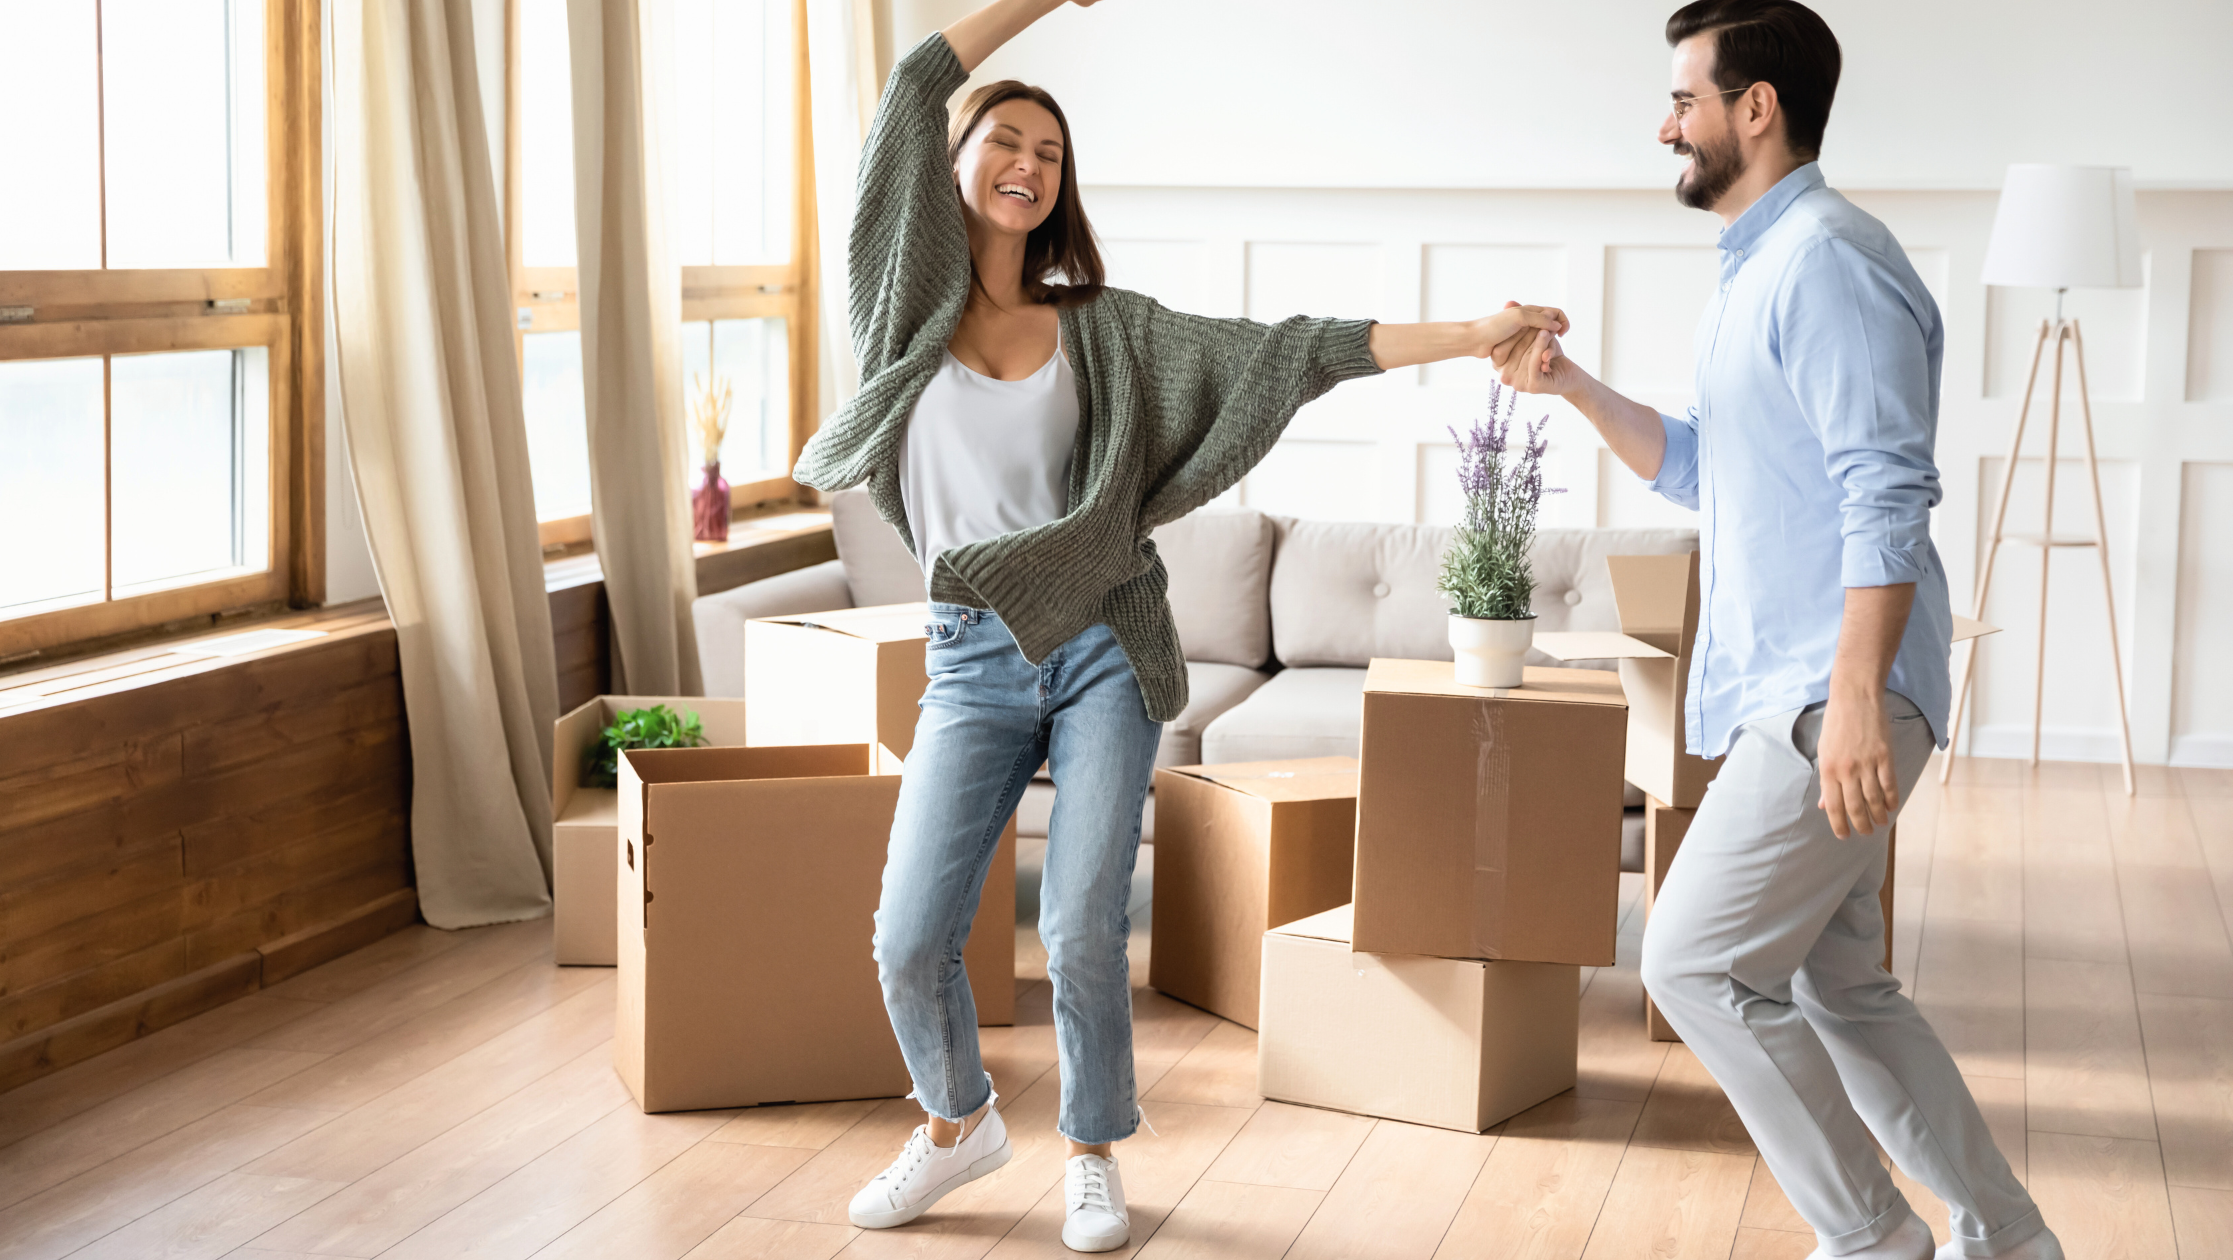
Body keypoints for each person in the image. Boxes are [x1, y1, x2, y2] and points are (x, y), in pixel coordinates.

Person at [792, 0, 1567, 1250]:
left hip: (1100, 648)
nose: (1026, 165)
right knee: (904, 937)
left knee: (1083, 922)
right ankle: (955, 1124)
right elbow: (915, 74)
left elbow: (1295, 352)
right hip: (969, 658)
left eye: (1048, 153)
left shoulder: (1110, 332)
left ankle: (1090, 1152)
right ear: (953, 164)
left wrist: (1473, 332)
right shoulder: (900, 310)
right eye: (1003, 140)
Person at [1494, 3, 2059, 1258]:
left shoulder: (1828, 264)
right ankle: (2006, 1241)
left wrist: (1852, 698)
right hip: (1795, 691)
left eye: (1683, 100)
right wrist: (1575, 389)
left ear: (1756, 109)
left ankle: (1871, 1238)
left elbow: (1886, 491)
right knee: (1840, 988)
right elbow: (1706, 468)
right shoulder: (1759, 267)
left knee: (1692, 962)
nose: (1664, 125)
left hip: (1827, 694)